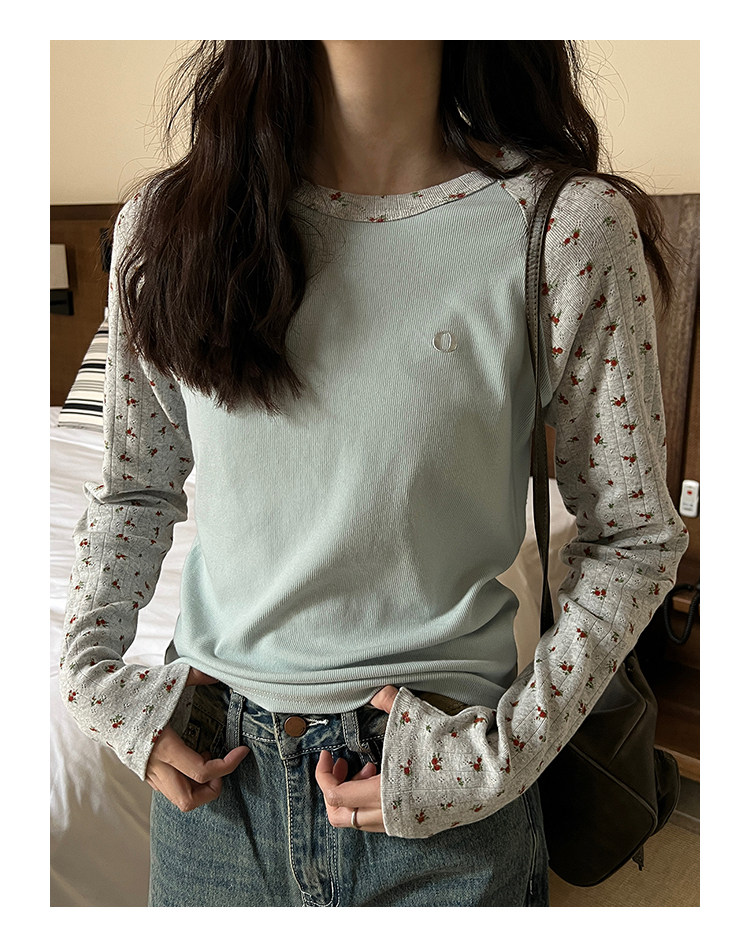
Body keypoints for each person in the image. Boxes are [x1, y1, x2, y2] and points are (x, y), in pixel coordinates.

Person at [59, 40, 688, 907]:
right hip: (214, 804)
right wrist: (91, 679)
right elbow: (134, 486)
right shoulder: (166, 223)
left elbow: (633, 536)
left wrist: (497, 757)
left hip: (443, 795)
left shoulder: (564, 227)